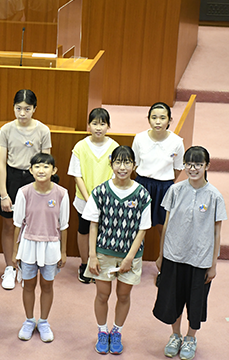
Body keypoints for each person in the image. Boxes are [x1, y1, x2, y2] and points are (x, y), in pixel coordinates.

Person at [153, 146, 226, 360]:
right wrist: (160, 255)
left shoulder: (214, 196)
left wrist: (213, 264)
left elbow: (216, 232)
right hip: (174, 254)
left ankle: (190, 338)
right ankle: (175, 336)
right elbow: (165, 224)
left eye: (198, 164)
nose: (192, 169)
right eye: (189, 164)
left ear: (207, 166)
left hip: (200, 259)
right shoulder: (175, 190)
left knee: (196, 302)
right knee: (172, 299)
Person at [82, 146, 152, 355]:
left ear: (134, 166)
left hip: (130, 256)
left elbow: (142, 229)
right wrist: (92, 256)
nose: (122, 167)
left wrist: (130, 258)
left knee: (123, 295)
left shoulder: (142, 194)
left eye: (127, 162)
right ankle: (102, 332)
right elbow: (93, 224)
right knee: (102, 295)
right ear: (111, 165)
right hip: (104, 253)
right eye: (118, 163)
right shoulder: (101, 191)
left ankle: (117, 331)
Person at [0, 89, 51, 290]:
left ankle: (26, 266)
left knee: (31, 226)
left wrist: (43, 188)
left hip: (34, 179)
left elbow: (46, 163)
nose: (22, 113)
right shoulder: (6, 129)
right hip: (11, 178)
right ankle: (10, 267)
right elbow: (1, 163)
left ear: (34, 109)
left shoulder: (43, 130)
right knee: (9, 226)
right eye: (18, 108)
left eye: (27, 109)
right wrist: (4, 193)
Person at [12, 153, 69, 343]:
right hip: (28, 245)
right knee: (28, 285)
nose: (41, 170)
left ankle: (43, 322)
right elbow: (18, 224)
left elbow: (64, 225)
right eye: (37, 166)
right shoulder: (24, 192)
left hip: (51, 245)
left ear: (54, 171)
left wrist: (63, 251)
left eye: (46, 166)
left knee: (47, 285)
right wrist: (15, 252)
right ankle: (29, 321)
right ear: (31, 170)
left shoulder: (62, 193)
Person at [67, 108, 119, 284]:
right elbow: (77, 175)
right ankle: (84, 263)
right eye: (95, 123)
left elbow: (117, 174)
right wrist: (89, 199)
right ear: (88, 126)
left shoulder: (114, 147)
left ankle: (100, 266)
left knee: (102, 232)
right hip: (84, 199)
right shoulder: (80, 146)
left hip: (106, 200)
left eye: (102, 123)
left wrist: (100, 199)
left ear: (108, 126)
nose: (98, 127)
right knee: (84, 230)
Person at [131, 102, 184, 252]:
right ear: (149, 119)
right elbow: (135, 164)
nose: (158, 121)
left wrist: (164, 181)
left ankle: (163, 263)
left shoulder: (177, 142)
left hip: (165, 188)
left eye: (162, 118)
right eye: (154, 118)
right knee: (138, 226)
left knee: (164, 227)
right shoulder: (139, 138)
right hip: (142, 185)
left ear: (169, 120)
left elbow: (178, 168)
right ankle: (134, 261)